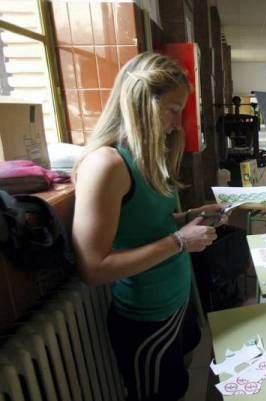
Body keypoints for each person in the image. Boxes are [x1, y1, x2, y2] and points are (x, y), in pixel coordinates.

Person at [72, 52, 226, 401]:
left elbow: (145, 225)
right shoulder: (106, 165)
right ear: (141, 101)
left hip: (175, 299)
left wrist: (188, 218)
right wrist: (180, 241)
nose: (177, 122)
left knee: (179, 382)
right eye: (173, 109)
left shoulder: (146, 156)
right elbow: (93, 268)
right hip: (146, 317)